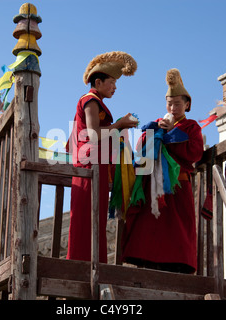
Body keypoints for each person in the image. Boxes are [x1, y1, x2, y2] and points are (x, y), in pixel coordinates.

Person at [121, 68, 204, 273]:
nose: (173, 107)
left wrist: (172, 135)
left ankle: (178, 264)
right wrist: (155, 132)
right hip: (154, 183)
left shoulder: (192, 127)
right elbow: (142, 149)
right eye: (169, 103)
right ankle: (145, 260)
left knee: (177, 227)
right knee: (151, 224)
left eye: (177, 103)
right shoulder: (158, 124)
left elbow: (195, 152)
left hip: (178, 184)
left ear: (187, 105)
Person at [66, 51, 138, 263]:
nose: (115, 87)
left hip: (96, 166)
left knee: (94, 218)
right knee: (86, 217)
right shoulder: (90, 101)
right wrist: (119, 125)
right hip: (89, 167)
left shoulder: (96, 101)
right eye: (112, 82)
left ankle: (93, 263)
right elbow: (94, 134)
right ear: (98, 81)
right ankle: (82, 265)